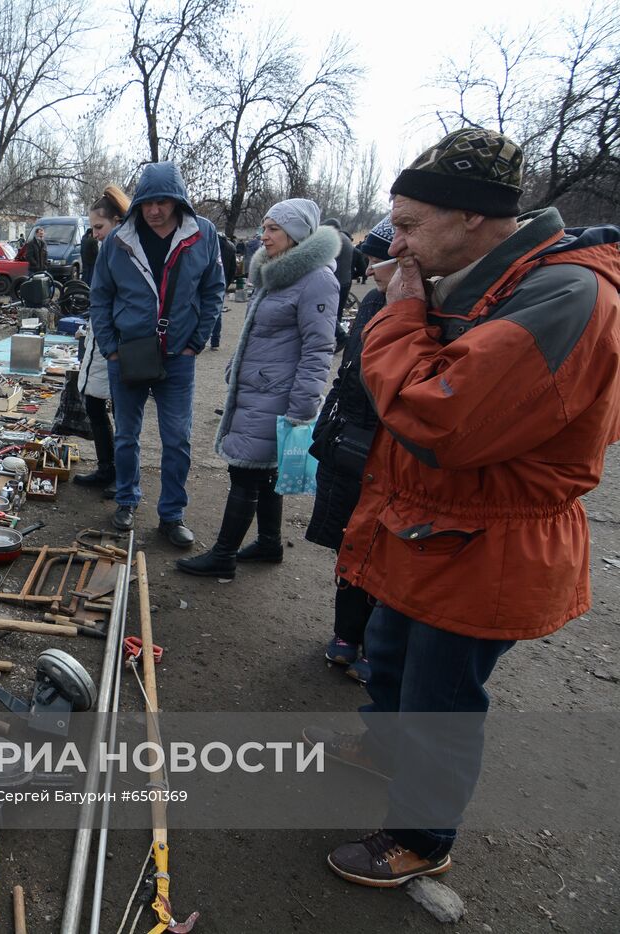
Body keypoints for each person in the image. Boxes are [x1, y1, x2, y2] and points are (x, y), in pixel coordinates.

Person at [317, 127, 620, 888]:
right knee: (387, 655)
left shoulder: (565, 293)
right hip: (427, 523)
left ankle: (421, 835)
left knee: (441, 698)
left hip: (490, 542)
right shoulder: (475, 275)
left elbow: (439, 414)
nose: (398, 242)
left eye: (412, 225)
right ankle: (384, 751)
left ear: (476, 220)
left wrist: (394, 311)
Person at [176, 198, 337, 577]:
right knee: (263, 471)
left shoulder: (316, 279)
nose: (263, 237)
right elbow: (260, 333)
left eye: (273, 229)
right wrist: (237, 364)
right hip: (259, 389)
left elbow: (319, 348)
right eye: (264, 228)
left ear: (297, 234)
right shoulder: (279, 272)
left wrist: (303, 405)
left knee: (245, 473)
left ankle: (223, 557)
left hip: (277, 394)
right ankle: (269, 544)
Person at [88, 162, 224, 545]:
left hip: (178, 356)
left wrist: (197, 340)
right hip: (128, 354)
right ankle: (127, 500)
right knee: (127, 435)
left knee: (177, 438)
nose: (154, 210)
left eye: (163, 201)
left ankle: (171, 515)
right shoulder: (119, 240)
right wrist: (110, 348)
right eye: (148, 202)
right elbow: (100, 297)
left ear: (178, 201)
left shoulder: (202, 235)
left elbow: (214, 289)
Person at [305, 215, 394, 684]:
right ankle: (346, 632)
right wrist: (330, 423)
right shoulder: (376, 300)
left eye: (382, 260)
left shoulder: (430, 309)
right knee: (351, 535)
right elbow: (350, 369)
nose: (373, 269)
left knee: (389, 548)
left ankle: (378, 646)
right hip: (352, 438)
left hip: (393, 446)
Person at [73, 184, 131, 493]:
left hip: (119, 348)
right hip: (101, 344)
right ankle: (106, 468)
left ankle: (123, 477)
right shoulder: (108, 250)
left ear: (117, 222)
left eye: (99, 226)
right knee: (94, 406)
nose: (95, 233)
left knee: (124, 416)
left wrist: (111, 346)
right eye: (93, 227)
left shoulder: (127, 252)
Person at [322, 218, 356, 319]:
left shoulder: (333, 239)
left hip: (336, 280)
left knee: (331, 313)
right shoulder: (346, 239)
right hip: (346, 279)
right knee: (338, 312)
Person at [213, 232, 237, 349]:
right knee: (217, 313)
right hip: (223, 282)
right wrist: (227, 283)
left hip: (208, 282)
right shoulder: (231, 247)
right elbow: (233, 268)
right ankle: (215, 342)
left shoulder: (210, 244)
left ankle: (199, 340)